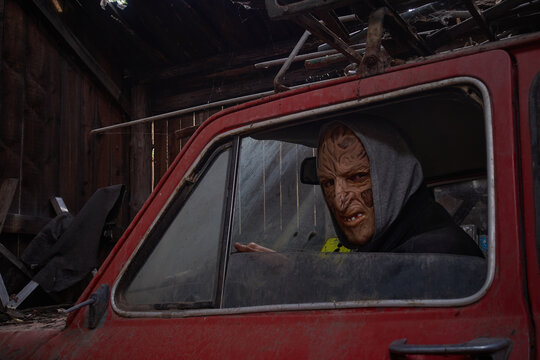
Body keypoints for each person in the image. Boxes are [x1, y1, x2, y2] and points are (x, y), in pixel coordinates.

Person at [235, 118, 484, 257]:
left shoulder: (430, 255)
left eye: (357, 177)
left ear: (394, 177)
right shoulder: (388, 249)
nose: (339, 199)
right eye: (329, 183)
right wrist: (289, 271)